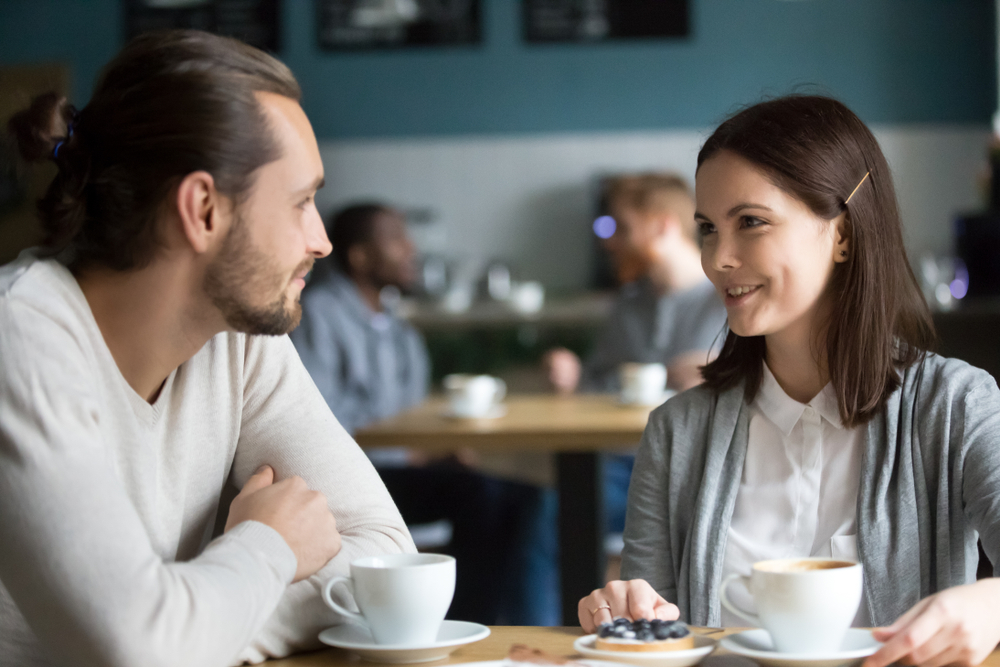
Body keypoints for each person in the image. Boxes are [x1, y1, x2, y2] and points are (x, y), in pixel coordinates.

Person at [0, 30, 413, 667]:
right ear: (202, 210)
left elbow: (388, 559)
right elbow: (136, 649)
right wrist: (267, 546)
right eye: (302, 202)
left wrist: (195, 623)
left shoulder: (236, 340)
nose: (322, 240)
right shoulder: (20, 339)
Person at [578, 96, 1000, 667]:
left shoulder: (957, 404)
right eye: (706, 229)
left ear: (844, 233)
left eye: (750, 222)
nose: (718, 259)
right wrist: (626, 612)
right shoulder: (676, 432)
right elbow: (653, 636)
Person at [291, 204, 555, 625]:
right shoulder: (319, 315)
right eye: (396, 239)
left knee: (528, 500)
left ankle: (506, 626)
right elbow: (316, 422)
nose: (411, 248)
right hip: (353, 481)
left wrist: (432, 454)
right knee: (480, 496)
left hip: (396, 468)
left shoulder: (394, 322)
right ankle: (466, 626)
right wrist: (413, 456)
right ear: (359, 257)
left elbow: (410, 412)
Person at [544, 173, 727, 536]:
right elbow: (597, 384)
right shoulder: (627, 305)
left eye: (623, 228)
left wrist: (722, 376)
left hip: (698, 469)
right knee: (547, 512)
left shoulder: (730, 300)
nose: (611, 243)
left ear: (662, 227)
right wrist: (575, 378)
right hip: (619, 465)